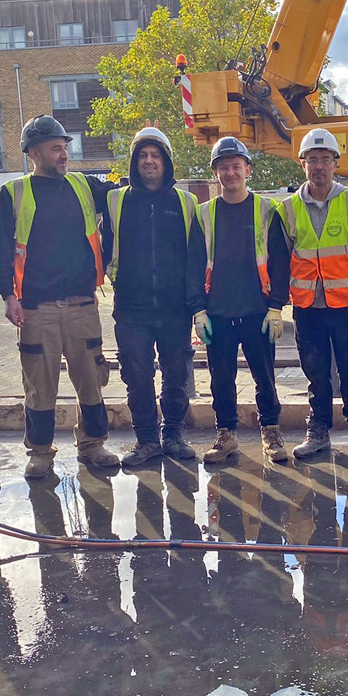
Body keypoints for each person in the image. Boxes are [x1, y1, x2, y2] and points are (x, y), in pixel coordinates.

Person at [0, 115, 119, 479]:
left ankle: (93, 444)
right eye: (55, 148)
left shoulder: (82, 185)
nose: (63, 154)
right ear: (33, 153)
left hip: (81, 304)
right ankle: (40, 453)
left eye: (65, 147)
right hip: (36, 308)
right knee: (39, 386)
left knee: (92, 380)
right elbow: (2, 249)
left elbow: (124, 197)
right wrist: (8, 296)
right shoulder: (14, 193)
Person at [187, 137, 291, 463]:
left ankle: (271, 432)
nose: (230, 173)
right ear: (215, 173)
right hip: (217, 313)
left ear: (248, 169)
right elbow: (192, 265)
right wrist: (198, 311)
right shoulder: (203, 215)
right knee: (221, 378)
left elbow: (279, 262)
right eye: (223, 167)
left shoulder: (265, 211)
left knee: (265, 377)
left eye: (236, 166)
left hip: (256, 311)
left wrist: (276, 306)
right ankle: (226, 434)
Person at [104, 126, 201, 468]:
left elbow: (195, 257)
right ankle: (146, 440)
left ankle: (172, 435)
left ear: (166, 161)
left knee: (176, 374)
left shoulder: (186, 203)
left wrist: (196, 305)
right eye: (143, 156)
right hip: (132, 309)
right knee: (137, 375)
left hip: (175, 309)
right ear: (134, 161)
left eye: (155, 155)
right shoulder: (117, 200)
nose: (149, 162)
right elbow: (104, 249)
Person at [278, 128, 348, 459]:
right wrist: (277, 306)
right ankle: (318, 430)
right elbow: (280, 260)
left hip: (344, 304)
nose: (319, 166)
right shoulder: (287, 209)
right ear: (301, 164)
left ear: (336, 163)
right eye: (312, 160)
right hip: (307, 306)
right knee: (316, 372)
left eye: (325, 159)